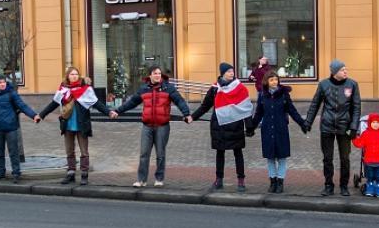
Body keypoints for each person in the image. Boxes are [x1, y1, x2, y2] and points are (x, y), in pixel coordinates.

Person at [114, 65, 193, 188]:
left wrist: (186, 114)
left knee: (160, 154)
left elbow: (179, 101)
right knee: (144, 154)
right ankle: (141, 180)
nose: (157, 75)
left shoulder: (168, 88)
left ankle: (159, 179)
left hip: (162, 126)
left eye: (159, 73)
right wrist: (118, 111)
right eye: (155, 73)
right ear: (150, 75)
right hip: (147, 126)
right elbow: (131, 102)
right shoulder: (144, 89)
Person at [35, 67, 114, 185]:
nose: (74, 76)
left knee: (84, 152)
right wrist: (41, 115)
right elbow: (53, 104)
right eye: (72, 74)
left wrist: (109, 112)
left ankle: (84, 174)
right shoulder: (63, 90)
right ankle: (70, 173)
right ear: (67, 76)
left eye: (76, 74)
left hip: (82, 125)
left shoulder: (86, 89)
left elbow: (96, 104)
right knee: (69, 151)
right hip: (67, 124)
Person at [191, 62, 254, 192]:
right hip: (219, 124)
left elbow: (245, 108)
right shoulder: (215, 88)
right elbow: (205, 106)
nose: (232, 73)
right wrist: (193, 117)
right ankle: (219, 180)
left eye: (232, 71)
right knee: (220, 153)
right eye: (229, 71)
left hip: (235, 124)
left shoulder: (240, 88)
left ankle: (241, 181)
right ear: (223, 73)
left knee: (238, 153)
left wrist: (249, 127)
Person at [305, 59, 361, 196]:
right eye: (342, 70)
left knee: (345, 158)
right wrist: (308, 122)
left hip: (345, 127)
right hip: (327, 126)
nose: (345, 71)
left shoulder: (352, 84)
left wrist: (354, 127)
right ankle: (328, 185)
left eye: (346, 69)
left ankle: (344, 185)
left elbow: (356, 107)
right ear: (335, 72)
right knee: (327, 158)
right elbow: (315, 104)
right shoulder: (324, 84)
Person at [247, 71, 308, 194]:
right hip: (267, 130)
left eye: (276, 79)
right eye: (271, 80)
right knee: (270, 158)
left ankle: (280, 182)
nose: (274, 82)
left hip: (281, 129)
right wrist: (251, 127)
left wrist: (302, 123)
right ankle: (272, 181)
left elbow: (292, 110)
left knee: (281, 157)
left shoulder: (284, 94)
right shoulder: (262, 95)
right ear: (266, 82)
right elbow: (258, 113)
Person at [352, 113, 379, 198]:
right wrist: (353, 138)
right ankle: (370, 186)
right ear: (370, 123)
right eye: (373, 122)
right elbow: (360, 143)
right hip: (369, 160)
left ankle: (378, 187)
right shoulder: (366, 133)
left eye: (377, 123)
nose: (375, 124)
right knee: (369, 175)